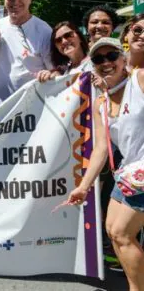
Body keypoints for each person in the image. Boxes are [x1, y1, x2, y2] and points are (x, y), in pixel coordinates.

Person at [65, 28, 144, 290]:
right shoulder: (100, 103)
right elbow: (100, 148)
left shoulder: (140, 80)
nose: (106, 62)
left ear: (123, 60)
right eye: (99, 59)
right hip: (129, 173)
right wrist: (84, 186)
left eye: (112, 56)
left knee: (122, 233)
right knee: (112, 230)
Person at [0, 0, 52, 110]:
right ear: (5, 0)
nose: (15, 1)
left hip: (32, 110)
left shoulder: (44, 30)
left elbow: (53, 70)